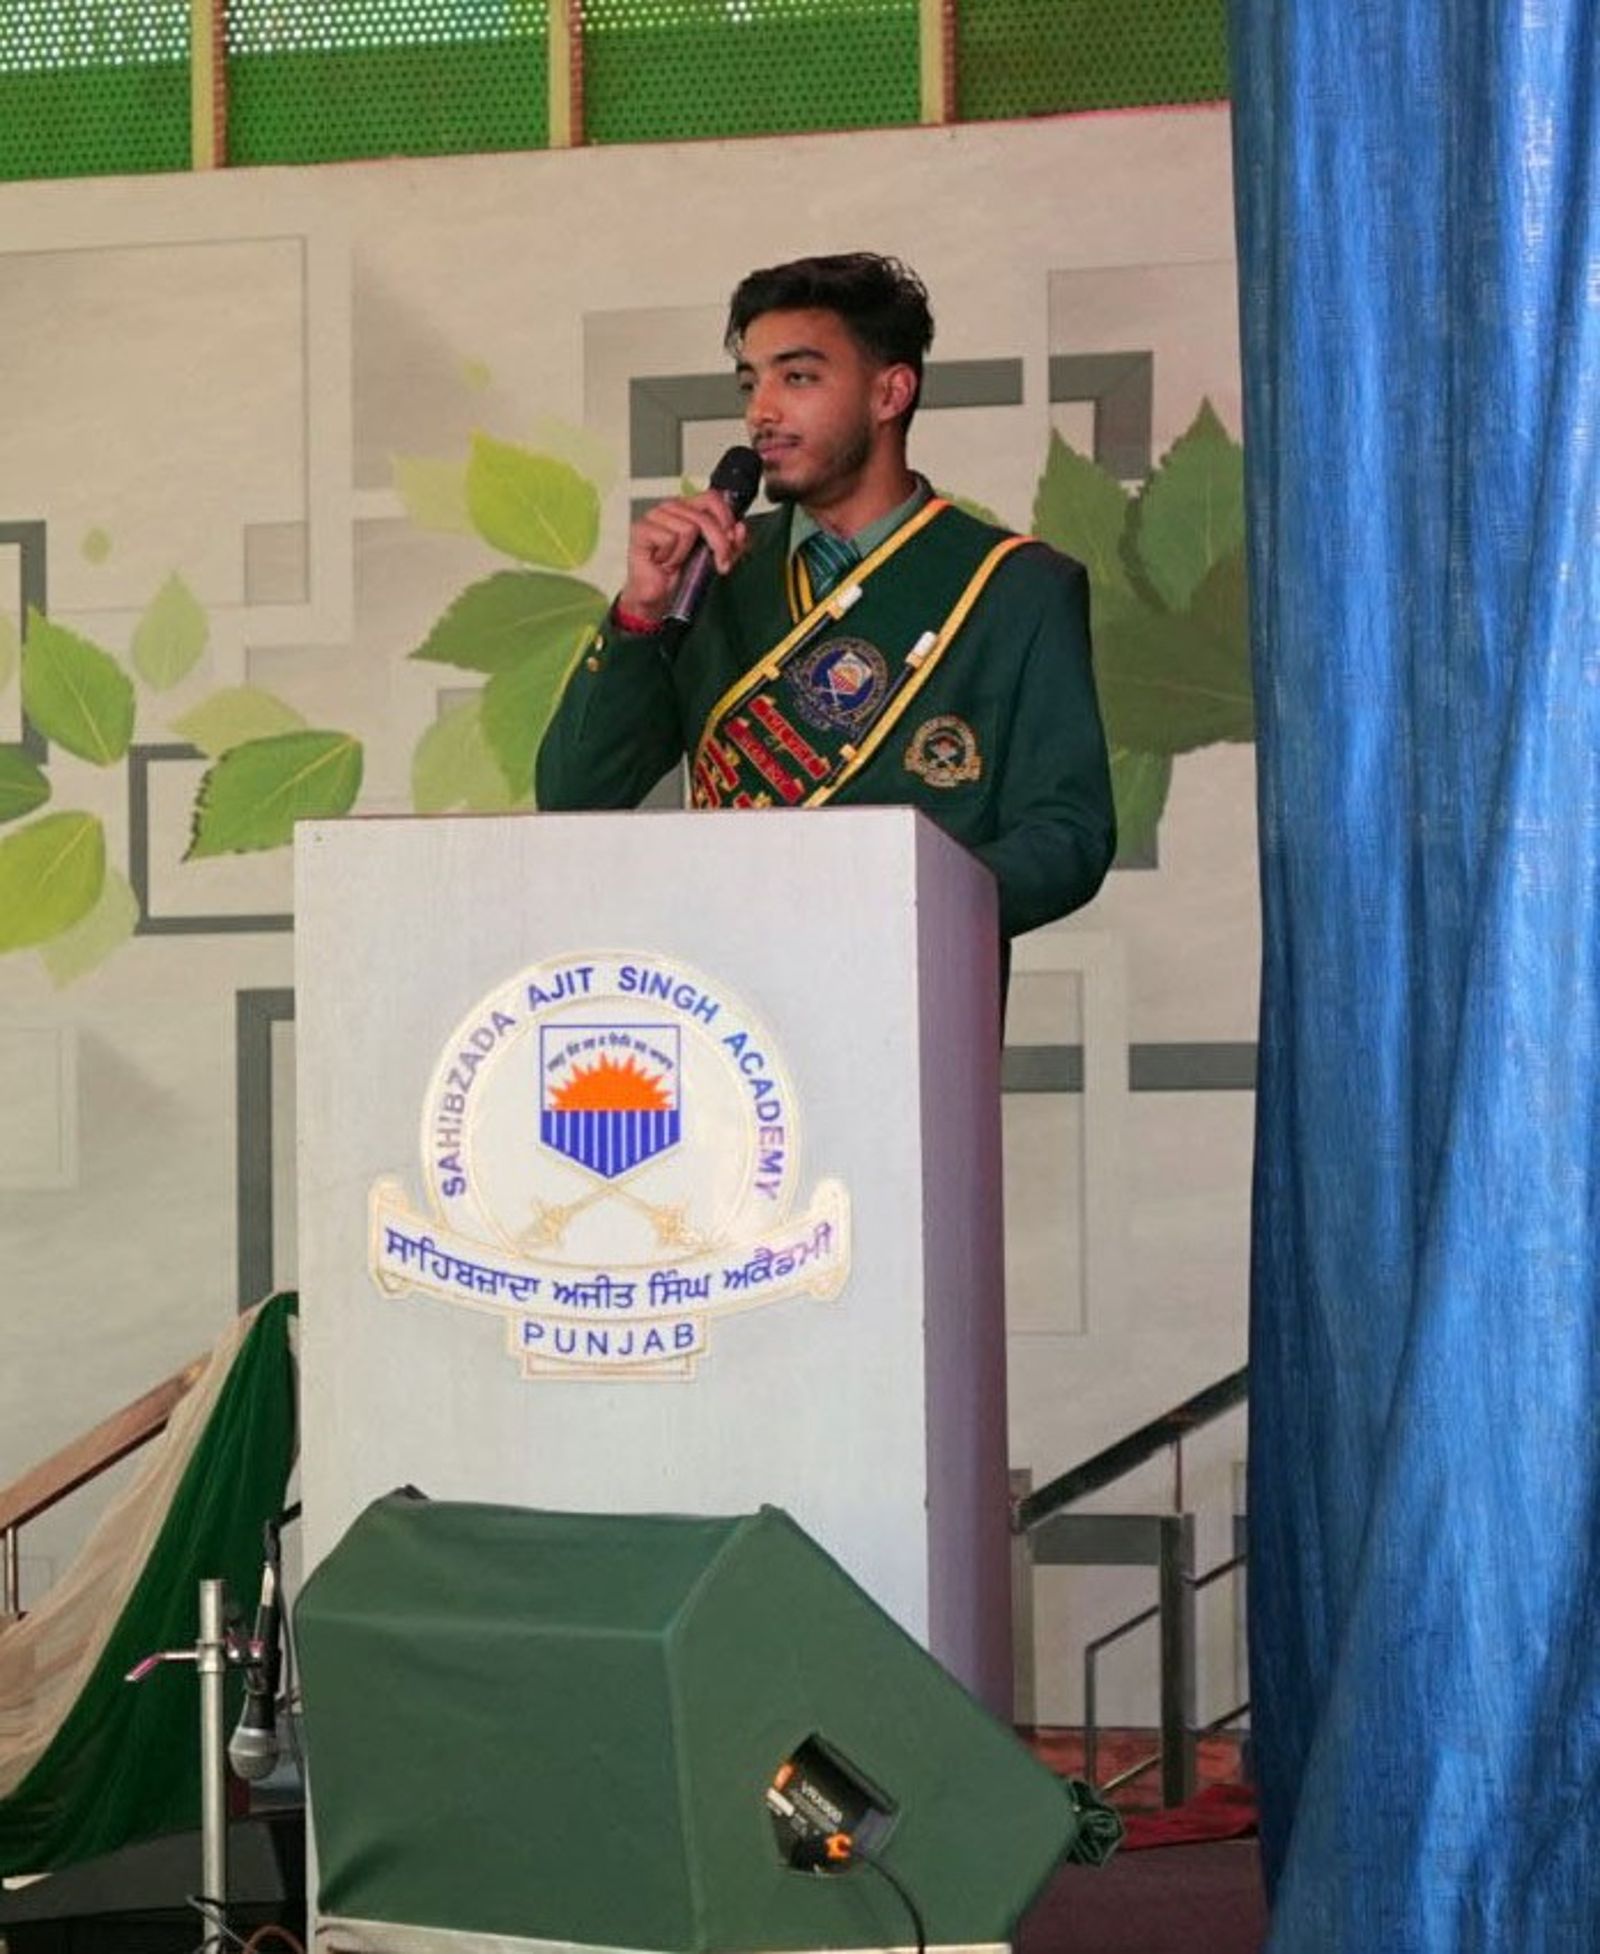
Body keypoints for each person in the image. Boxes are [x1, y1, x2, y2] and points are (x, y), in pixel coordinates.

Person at [536, 252, 1115, 944]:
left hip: (906, 981)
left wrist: (898, 902)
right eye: (750, 383)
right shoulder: (712, 571)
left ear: (890, 394)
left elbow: (1067, 837)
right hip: (723, 981)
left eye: (798, 377)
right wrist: (639, 615)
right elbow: (575, 798)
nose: (761, 412)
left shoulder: (1016, 587)